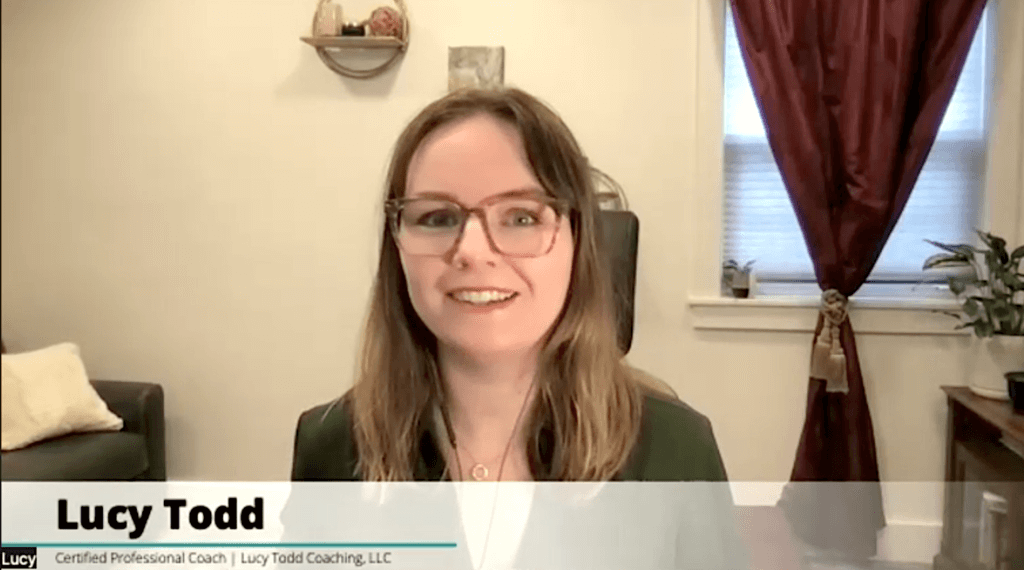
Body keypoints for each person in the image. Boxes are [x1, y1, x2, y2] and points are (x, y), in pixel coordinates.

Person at [291, 87, 729, 485]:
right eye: (437, 217)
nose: (473, 251)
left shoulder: (678, 451)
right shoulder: (329, 447)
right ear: (397, 247)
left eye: (522, 217)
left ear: (579, 241)